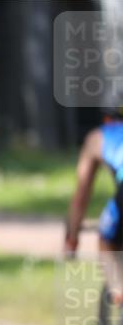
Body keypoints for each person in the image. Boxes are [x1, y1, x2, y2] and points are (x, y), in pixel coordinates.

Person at [65, 104, 123, 305]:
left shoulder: (98, 137)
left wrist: (71, 240)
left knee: (105, 235)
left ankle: (118, 289)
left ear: (107, 118)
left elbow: (81, 196)